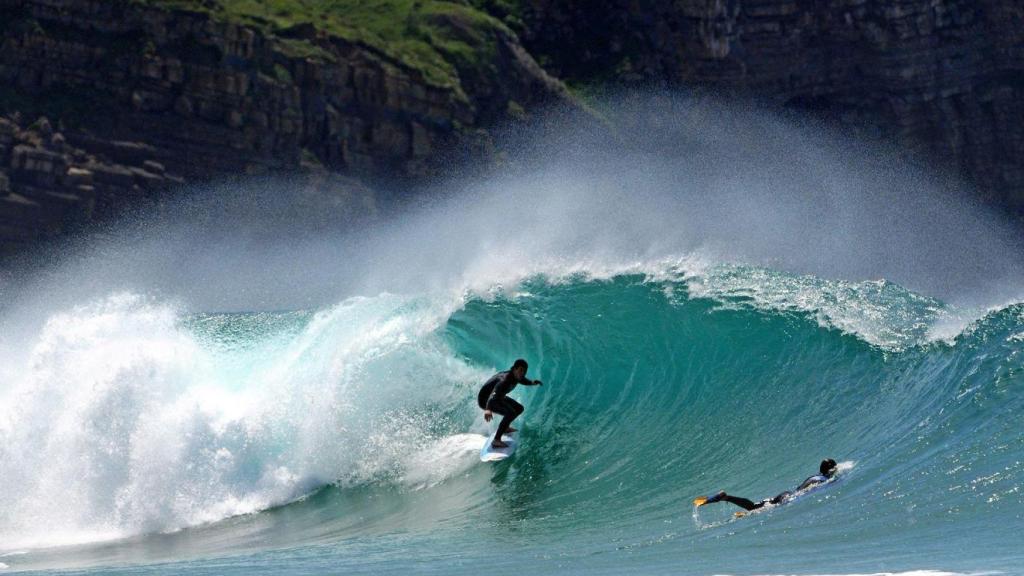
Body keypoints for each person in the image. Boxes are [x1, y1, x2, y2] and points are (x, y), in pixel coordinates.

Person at [696, 458, 838, 511]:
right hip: (789, 498)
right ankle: (726, 497)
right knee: (753, 508)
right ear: (830, 470)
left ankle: (726, 497)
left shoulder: (814, 476)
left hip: (786, 493)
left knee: (755, 506)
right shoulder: (822, 480)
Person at [477, 358, 543, 448]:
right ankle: (496, 440)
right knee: (510, 413)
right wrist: (488, 409)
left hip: (498, 397)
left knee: (519, 408)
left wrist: (532, 382)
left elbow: (522, 380)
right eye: (520, 370)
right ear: (515, 369)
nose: (522, 373)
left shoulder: (516, 376)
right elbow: (493, 393)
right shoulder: (505, 380)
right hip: (486, 400)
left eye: (524, 371)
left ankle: (505, 428)